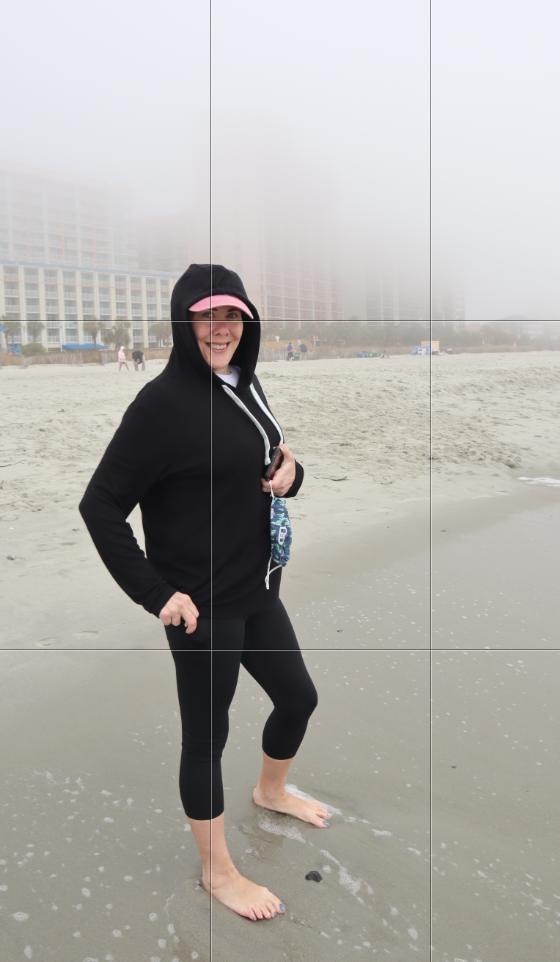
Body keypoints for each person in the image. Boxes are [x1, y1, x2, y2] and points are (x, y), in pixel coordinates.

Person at [79, 264, 327, 924]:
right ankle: (217, 871)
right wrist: (156, 593)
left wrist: (292, 474)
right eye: (208, 316)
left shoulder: (245, 381)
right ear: (184, 323)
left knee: (299, 697)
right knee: (206, 739)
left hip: (255, 587)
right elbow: (100, 506)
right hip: (200, 609)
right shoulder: (159, 407)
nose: (221, 328)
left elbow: (270, 459)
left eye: (232, 316)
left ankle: (271, 791)